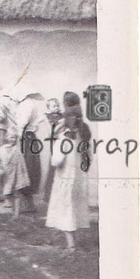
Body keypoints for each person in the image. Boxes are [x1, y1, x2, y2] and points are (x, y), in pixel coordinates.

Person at [45, 92, 91, 251]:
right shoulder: (83, 136)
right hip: (79, 178)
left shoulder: (64, 139)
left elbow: (56, 160)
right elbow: (88, 158)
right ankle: (70, 240)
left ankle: (71, 245)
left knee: (66, 208)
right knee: (73, 207)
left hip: (65, 178)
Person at [8, 87, 44, 211]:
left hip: (25, 138)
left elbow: (21, 124)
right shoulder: (28, 104)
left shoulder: (26, 105)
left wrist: (17, 138)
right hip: (28, 137)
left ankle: (25, 203)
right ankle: (27, 203)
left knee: (25, 168)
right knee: (28, 168)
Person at [0, 130, 30, 217]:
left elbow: (22, 164)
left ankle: (16, 213)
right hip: (6, 175)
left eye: (15, 138)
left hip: (17, 175)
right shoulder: (1, 149)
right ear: (6, 138)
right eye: (11, 137)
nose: (13, 140)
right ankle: (12, 209)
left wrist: (23, 174)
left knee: (17, 194)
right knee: (8, 194)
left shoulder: (17, 150)